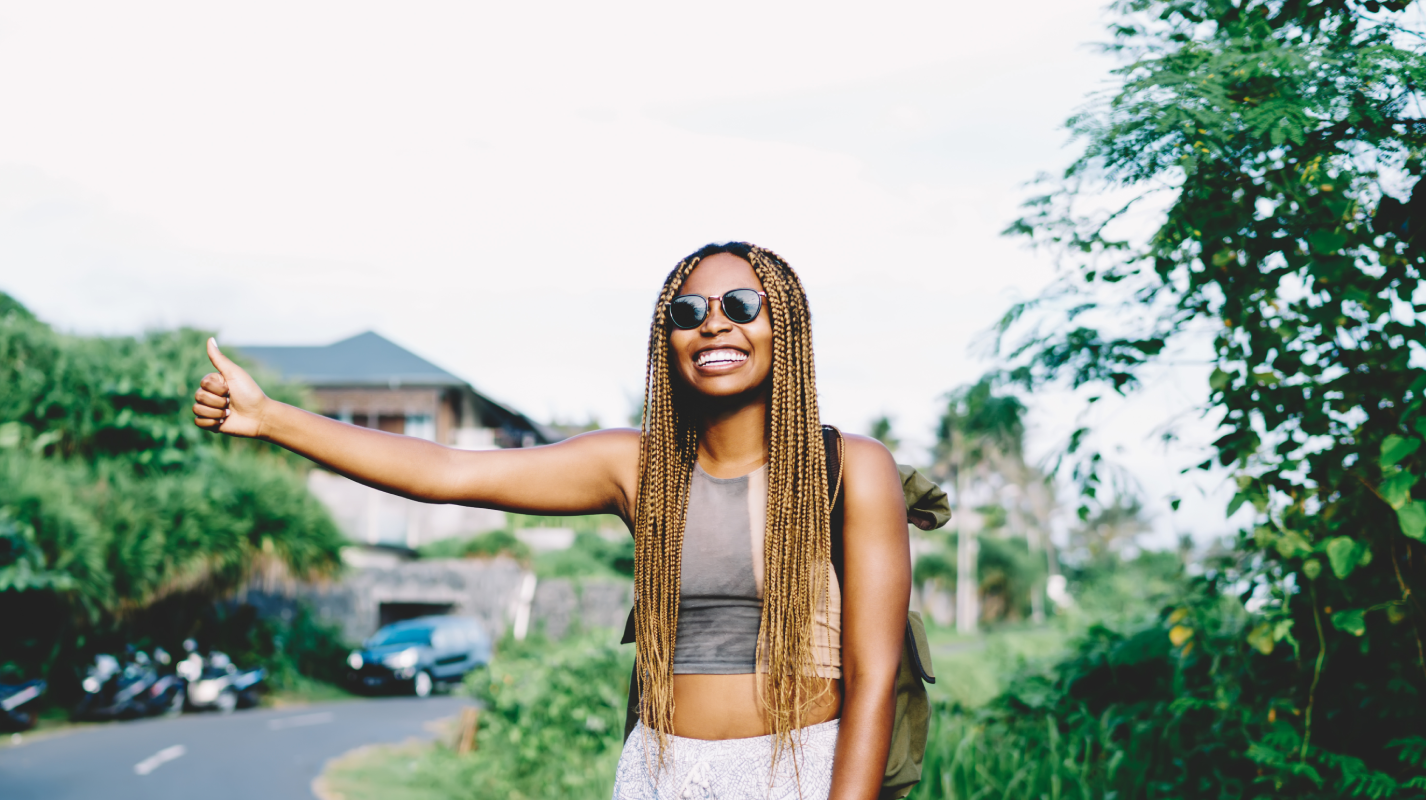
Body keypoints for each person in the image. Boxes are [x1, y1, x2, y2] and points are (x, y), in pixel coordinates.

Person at [194, 242, 916, 799]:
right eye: (688, 313)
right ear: (669, 342)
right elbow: (449, 472)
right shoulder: (637, 468)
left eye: (739, 305)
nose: (713, 325)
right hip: (663, 772)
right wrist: (270, 419)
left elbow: (873, 674)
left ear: (782, 322)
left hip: (796, 770)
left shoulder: (852, 468)